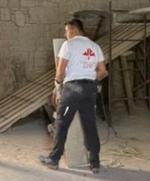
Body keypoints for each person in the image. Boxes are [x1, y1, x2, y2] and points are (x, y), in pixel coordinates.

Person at [39, 18, 107, 173]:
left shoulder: (68, 45)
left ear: (74, 29)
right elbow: (103, 71)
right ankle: (95, 163)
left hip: (72, 89)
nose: (65, 34)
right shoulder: (95, 46)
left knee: (62, 123)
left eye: (66, 30)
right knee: (90, 124)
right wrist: (90, 80)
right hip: (90, 89)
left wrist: (57, 85)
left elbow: (60, 70)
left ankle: (54, 159)